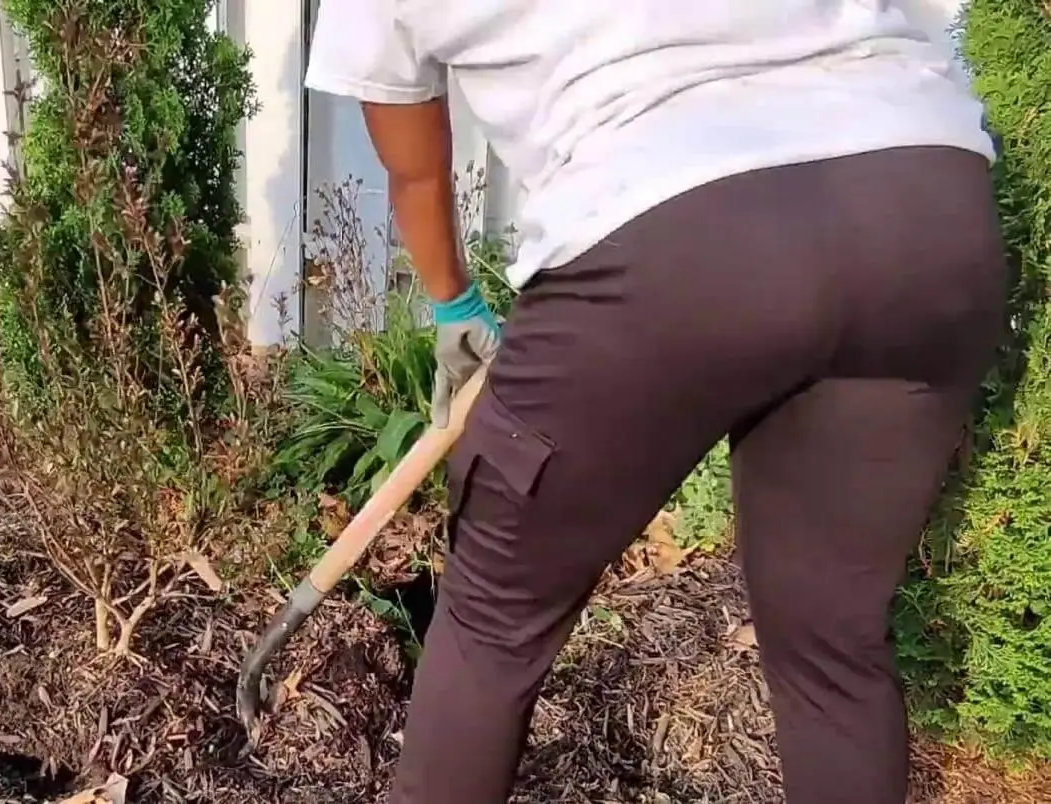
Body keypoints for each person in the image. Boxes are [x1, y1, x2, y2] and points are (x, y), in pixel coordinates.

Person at [302, 2, 1009, 803]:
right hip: (919, 207)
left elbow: (415, 166)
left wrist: (454, 305)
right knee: (834, 647)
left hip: (664, 233)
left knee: (493, 620)